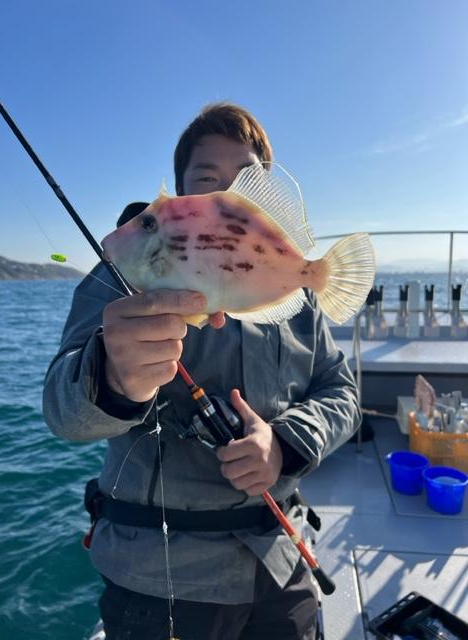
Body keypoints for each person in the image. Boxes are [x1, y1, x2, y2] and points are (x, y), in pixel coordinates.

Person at [43, 102, 361, 640]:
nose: (228, 197)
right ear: (182, 194)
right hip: (162, 579)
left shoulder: (296, 292)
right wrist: (114, 379)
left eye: (247, 182)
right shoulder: (124, 276)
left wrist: (283, 445)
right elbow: (62, 411)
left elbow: (342, 391)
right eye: (208, 180)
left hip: (281, 560)